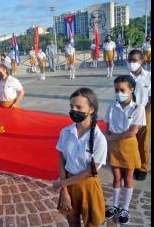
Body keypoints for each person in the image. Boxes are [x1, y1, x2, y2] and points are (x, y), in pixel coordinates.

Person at [53, 88, 107, 227]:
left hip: (88, 185)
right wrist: (64, 190)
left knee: (91, 223)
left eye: (79, 107)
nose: (74, 110)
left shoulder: (99, 139)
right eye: (71, 106)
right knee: (72, 221)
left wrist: (61, 184)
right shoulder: (66, 132)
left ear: (91, 109)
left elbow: (90, 171)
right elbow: (62, 160)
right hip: (69, 184)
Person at [104, 75, 146, 225]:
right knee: (116, 177)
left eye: (122, 89)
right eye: (116, 89)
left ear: (131, 90)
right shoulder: (111, 106)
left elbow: (132, 132)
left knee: (128, 177)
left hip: (128, 146)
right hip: (114, 147)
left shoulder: (137, 107)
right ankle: (115, 205)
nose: (119, 92)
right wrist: (107, 137)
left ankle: (125, 208)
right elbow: (106, 126)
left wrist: (111, 137)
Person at [127, 49, 151, 181]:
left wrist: (143, 114)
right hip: (128, 113)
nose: (131, 63)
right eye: (129, 60)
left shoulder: (149, 76)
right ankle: (133, 164)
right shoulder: (125, 78)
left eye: (134, 60)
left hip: (145, 112)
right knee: (130, 141)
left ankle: (143, 167)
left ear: (141, 61)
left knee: (142, 142)